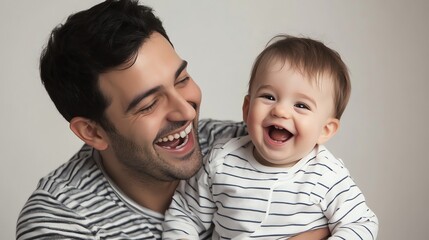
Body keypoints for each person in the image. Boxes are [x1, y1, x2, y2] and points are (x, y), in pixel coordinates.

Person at [16, 1, 330, 239]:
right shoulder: (61, 219)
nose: (187, 112)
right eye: (149, 104)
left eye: (181, 80)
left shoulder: (245, 144)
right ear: (93, 131)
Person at [163, 35, 379, 239]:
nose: (281, 111)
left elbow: (361, 223)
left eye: (301, 105)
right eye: (269, 96)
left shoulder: (326, 174)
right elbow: (186, 213)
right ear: (247, 109)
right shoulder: (221, 160)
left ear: (325, 130)